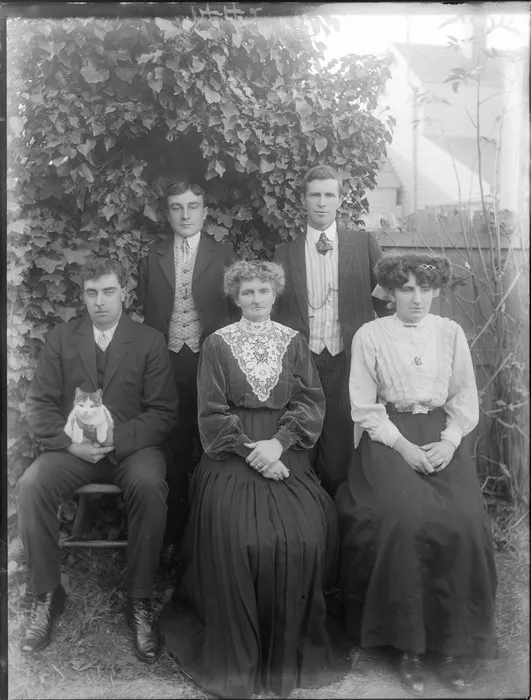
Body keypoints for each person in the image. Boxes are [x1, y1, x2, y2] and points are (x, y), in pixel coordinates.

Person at [159, 260, 350, 698]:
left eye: (263, 291)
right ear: (235, 297)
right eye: (247, 293)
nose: (256, 300)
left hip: (286, 450)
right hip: (231, 451)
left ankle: (287, 650)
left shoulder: (294, 342)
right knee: (238, 533)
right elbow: (211, 413)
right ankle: (239, 652)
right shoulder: (217, 344)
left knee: (302, 534)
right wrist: (252, 452)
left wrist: (279, 445)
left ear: (275, 293)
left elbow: (309, 403)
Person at [336, 252, 498, 695]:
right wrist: (403, 447)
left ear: (436, 291)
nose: (417, 298)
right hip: (388, 436)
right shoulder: (370, 335)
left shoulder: (450, 333)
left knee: (463, 520)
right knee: (403, 518)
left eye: (425, 289)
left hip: (441, 434)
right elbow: (364, 405)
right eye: (406, 288)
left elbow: (464, 394)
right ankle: (407, 646)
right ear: (390, 293)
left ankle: (450, 646)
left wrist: (449, 440)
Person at [17, 257, 178, 663]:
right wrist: (71, 444)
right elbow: (38, 405)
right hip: (75, 450)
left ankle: (139, 599)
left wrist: (115, 438)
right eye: (91, 293)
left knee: (149, 485)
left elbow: (163, 413)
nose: (100, 301)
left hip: (131, 448)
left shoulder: (149, 340)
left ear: (123, 293)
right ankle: (47, 595)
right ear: (82, 297)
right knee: (32, 485)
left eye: (108, 291)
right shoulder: (61, 338)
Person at [274, 164, 388, 497]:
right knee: (300, 455)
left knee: (338, 462)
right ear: (304, 200)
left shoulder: (363, 244)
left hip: (346, 362)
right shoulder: (285, 253)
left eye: (329, 195)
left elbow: (384, 301)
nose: (322, 203)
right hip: (302, 366)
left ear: (340, 200)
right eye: (315, 195)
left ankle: (338, 537)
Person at [137, 179, 237, 555]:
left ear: (205, 211)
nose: (185, 214)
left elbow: (232, 314)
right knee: (173, 448)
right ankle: (173, 538)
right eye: (177, 207)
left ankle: (212, 536)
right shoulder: (153, 255)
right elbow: (148, 314)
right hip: (167, 362)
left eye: (192, 206)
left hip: (209, 361)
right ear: (167, 213)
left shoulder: (224, 254)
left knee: (212, 445)